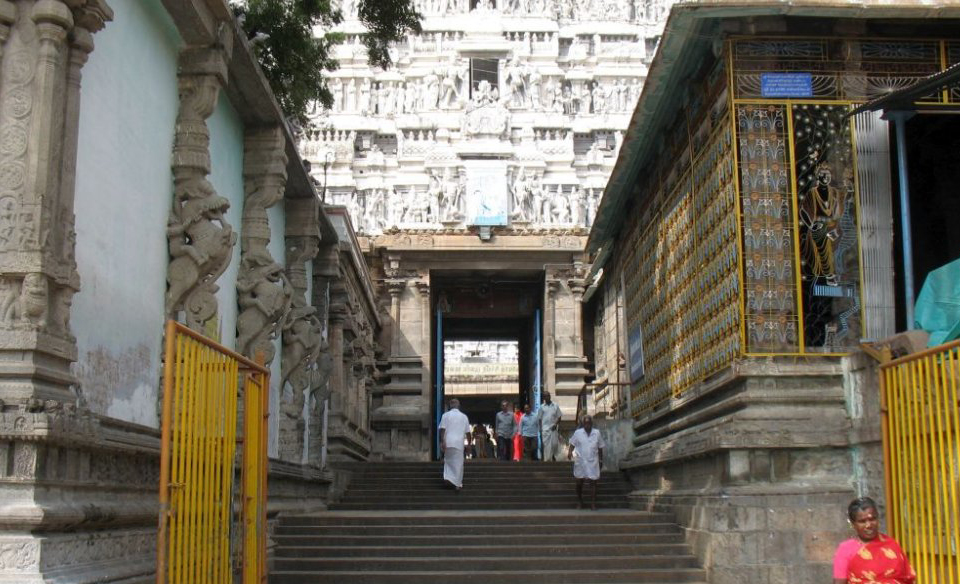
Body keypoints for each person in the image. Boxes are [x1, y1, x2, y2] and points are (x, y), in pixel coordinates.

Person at [832, 496, 915, 584]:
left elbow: (908, 578)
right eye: (862, 521)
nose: (868, 525)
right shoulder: (846, 549)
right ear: (853, 524)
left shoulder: (892, 545)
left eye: (872, 519)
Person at [567, 415, 604, 510]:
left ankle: (593, 503)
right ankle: (579, 501)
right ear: (583, 424)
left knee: (593, 483)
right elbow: (572, 443)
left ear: (591, 423)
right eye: (585, 423)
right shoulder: (578, 433)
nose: (587, 425)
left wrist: (601, 460)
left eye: (589, 423)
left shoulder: (597, 433)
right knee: (579, 482)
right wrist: (570, 452)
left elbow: (600, 447)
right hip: (580, 461)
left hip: (593, 461)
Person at [438, 398, 470, 491]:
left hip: (448, 442)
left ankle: (448, 479)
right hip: (459, 443)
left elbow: (442, 429)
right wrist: (468, 444)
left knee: (448, 462)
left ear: (449, 406)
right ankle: (457, 483)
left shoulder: (445, 415)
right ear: (459, 406)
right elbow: (468, 433)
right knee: (459, 464)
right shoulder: (464, 417)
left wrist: (442, 441)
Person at [538, 391, 563, 461]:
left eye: (548, 395)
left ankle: (553, 456)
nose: (547, 397)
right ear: (544, 398)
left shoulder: (555, 406)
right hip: (545, 430)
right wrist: (540, 429)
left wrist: (555, 424)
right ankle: (548, 460)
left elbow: (559, 417)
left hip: (553, 429)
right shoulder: (541, 407)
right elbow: (539, 419)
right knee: (547, 446)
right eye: (545, 396)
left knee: (554, 444)